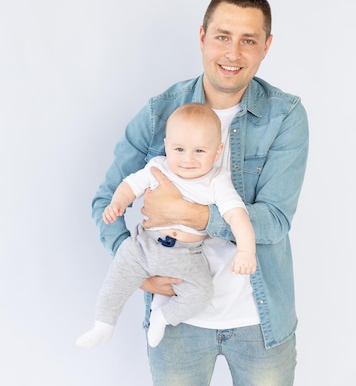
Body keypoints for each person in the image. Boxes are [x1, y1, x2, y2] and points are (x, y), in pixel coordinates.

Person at [90, 0, 308, 386]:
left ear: (267, 46)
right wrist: (135, 268)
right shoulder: (160, 111)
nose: (233, 53)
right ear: (203, 36)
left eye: (249, 40)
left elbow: (275, 220)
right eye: (223, 36)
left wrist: (186, 213)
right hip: (176, 321)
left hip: (260, 322)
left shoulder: (285, 115)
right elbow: (106, 198)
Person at [76, 103, 256, 349]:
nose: (187, 159)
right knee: (116, 280)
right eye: (179, 149)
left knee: (202, 293)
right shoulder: (158, 167)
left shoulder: (217, 179)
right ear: (167, 144)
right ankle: (103, 325)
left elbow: (237, 215)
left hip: (187, 256)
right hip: (144, 244)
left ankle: (163, 317)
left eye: (200, 151)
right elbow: (130, 185)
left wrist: (246, 251)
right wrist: (118, 203)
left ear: (217, 151)